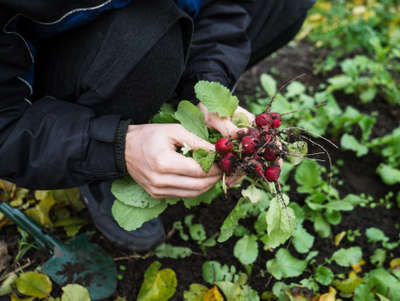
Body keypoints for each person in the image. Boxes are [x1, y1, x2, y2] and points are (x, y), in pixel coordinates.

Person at [0, 0, 316, 250]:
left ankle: (177, 106)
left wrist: (208, 82)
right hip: (45, 76)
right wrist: (114, 145)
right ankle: (104, 162)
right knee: (149, 37)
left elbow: (223, 5)